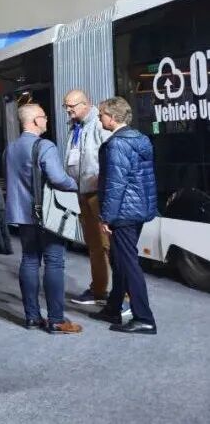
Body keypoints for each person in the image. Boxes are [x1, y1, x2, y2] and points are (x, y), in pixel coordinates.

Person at [4, 104, 82, 334]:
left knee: (29, 260)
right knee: (54, 262)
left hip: (22, 214)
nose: (47, 120)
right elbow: (57, 178)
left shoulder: (11, 148)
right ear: (35, 120)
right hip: (46, 214)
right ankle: (56, 320)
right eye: (44, 117)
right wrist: (75, 183)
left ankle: (32, 317)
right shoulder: (45, 145)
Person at [91, 97, 158, 334]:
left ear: (112, 117)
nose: (99, 118)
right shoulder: (140, 139)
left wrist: (107, 217)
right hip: (138, 209)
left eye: (101, 114)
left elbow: (115, 184)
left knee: (128, 264)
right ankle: (113, 308)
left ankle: (144, 318)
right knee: (120, 260)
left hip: (123, 212)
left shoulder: (117, 144)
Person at [62, 90, 113, 306]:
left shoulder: (99, 124)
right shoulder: (75, 127)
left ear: (86, 104)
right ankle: (99, 290)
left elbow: (111, 156)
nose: (68, 110)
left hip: (99, 193)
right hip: (83, 192)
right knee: (94, 245)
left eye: (71, 106)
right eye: (66, 106)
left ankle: (124, 293)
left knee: (109, 244)